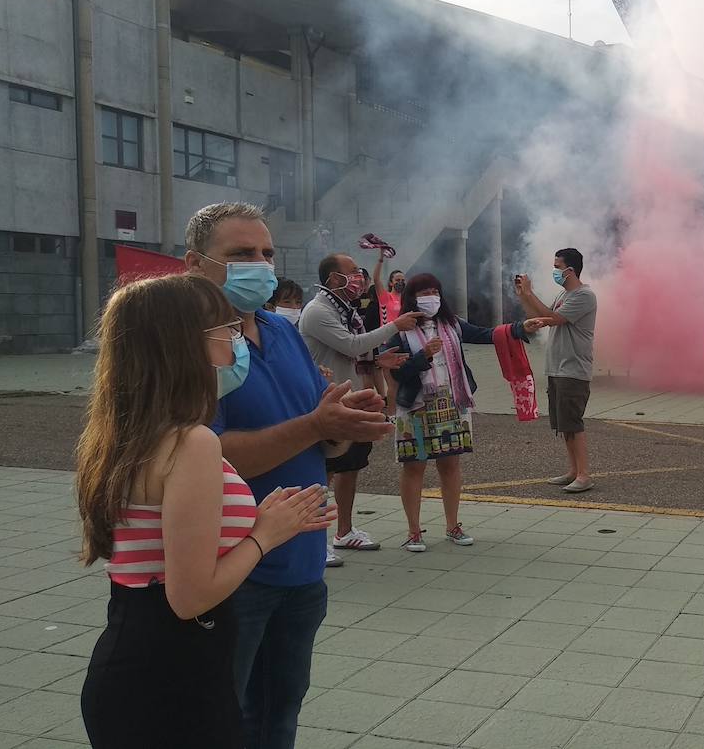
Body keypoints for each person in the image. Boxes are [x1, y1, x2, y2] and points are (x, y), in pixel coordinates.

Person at [76, 275, 334, 749]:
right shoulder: (191, 442)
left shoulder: (128, 432)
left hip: (138, 656)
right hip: (172, 668)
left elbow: (160, 544)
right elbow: (189, 597)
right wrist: (265, 535)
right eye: (224, 331)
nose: (234, 345)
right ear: (183, 345)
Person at [183, 202, 392, 749]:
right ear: (196, 264)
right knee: (221, 718)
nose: (260, 265)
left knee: (280, 712)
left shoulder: (282, 331)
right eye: (241, 255)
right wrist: (314, 424)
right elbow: (209, 457)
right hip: (233, 571)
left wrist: (344, 426)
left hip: (302, 566)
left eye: (267, 254)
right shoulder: (194, 349)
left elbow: (319, 436)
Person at [382, 273, 538, 551]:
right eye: (424, 292)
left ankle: (453, 525)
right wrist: (422, 357)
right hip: (416, 406)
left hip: (452, 402)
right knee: (414, 466)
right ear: (411, 297)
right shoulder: (400, 329)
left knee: (450, 464)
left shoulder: (451, 323)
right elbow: (394, 369)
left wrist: (520, 327)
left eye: (435, 291)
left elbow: (486, 334)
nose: (431, 297)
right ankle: (414, 531)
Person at [299, 252, 423, 563]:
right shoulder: (317, 311)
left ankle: (344, 531)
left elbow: (352, 354)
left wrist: (379, 360)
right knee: (322, 472)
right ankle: (315, 540)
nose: (359, 277)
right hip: (325, 402)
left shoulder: (345, 311)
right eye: (352, 272)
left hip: (350, 398)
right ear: (333, 279)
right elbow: (352, 345)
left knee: (351, 466)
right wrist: (395, 325)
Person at [514, 248, 598, 493]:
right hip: (557, 368)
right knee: (563, 424)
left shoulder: (585, 296)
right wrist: (523, 296)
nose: (555, 271)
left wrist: (531, 293)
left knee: (573, 423)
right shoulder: (564, 294)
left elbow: (553, 318)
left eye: (557, 266)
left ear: (570, 270)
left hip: (573, 368)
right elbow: (537, 318)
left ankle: (584, 474)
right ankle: (573, 470)